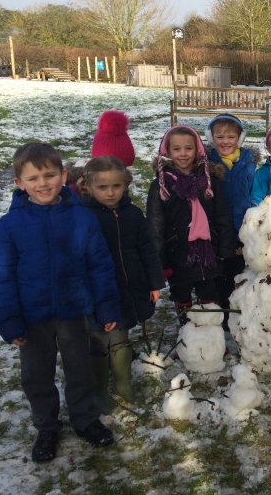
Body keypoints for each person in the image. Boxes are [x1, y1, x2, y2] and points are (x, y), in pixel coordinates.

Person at [0, 143, 120, 462]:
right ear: (19, 183)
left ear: (63, 175)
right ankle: (47, 425)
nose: (43, 184)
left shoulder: (81, 219)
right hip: (32, 316)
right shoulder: (8, 227)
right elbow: (0, 277)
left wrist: (106, 306)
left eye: (49, 175)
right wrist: (9, 320)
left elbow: (99, 265)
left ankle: (85, 419)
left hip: (74, 310)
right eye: (33, 178)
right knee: (36, 373)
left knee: (80, 368)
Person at [78, 156, 165, 413]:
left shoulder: (132, 213)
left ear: (124, 185)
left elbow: (148, 249)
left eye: (116, 186)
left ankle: (123, 385)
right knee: (99, 340)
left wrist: (154, 281)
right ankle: (99, 390)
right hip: (97, 291)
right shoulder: (83, 217)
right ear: (88, 187)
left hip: (128, 287)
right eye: (102, 187)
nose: (110, 192)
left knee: (121, 335)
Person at [146, 126, 235, 319]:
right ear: (167, 152)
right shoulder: (161, 185)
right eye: (177, 149)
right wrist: (159, 261)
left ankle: (211, 338)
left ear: (198, 151)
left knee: (209, 294)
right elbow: (155, 225)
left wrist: (225, 248)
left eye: (188, 148)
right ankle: (187, 337)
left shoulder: (209, 181)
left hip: (209, 251)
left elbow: (221, 215)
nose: (183, 154)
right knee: (181, 293)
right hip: (178, 252)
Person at [205, 114, 256, 320]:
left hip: (240, 226)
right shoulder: (207, 162)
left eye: (231, 137)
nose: (225, 141)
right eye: (220, 136)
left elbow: (253, 191)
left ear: (239, 138)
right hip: (217, 229)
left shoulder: (248, 162)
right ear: (211, 137)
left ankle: (235, 307)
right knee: (219, 272)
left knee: (236, 270)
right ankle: (221, 310)